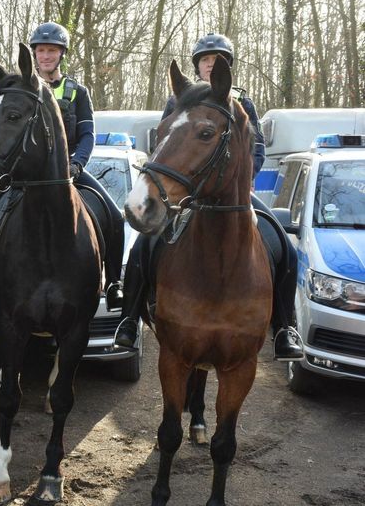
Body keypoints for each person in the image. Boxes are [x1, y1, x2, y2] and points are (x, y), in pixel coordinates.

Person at [112, 32, 304, 360]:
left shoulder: (242, 102)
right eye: (205, 60)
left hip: (233, 192)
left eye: (217, 60)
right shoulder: (179, 101)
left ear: (227, 67)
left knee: (283, 245)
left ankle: (285, 327)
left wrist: (247, 177)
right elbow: (167, 143)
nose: (210, 65)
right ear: (197, 66)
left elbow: (256, 146)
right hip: (190, 193)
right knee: (144, 242)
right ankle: (129, 319)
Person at [0, 21, 125, 313]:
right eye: (41, 51)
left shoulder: (77, 92)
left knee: (114, 215)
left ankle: (115, 282)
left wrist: (77, 164)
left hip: (67, 172)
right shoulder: (23, 90)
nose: (46, 56)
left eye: (52, 50)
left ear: (61, 54)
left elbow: (87, 135)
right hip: (26, 174)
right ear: (35, 55)